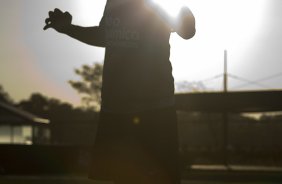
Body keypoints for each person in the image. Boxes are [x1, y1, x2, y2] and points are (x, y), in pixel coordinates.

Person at [44, 0, 195, 183]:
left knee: (161, 177)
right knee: (122, 176)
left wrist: (185, 16)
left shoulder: (155, 5)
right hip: (116, 109)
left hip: (155, 109)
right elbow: (104, 36)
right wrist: (68, 28)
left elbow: (187, 32)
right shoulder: (113, 3)